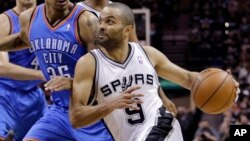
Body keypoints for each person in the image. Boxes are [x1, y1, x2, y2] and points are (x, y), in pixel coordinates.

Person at [70, 2, 240, 141]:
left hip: (163, 127)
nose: (101, 26)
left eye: (110, 22)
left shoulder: (148, 54)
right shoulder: (88, 63)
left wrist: (224, 82)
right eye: (101, 21)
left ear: (127, 30)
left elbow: (188, 78)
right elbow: (76, 117)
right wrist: (110, 105)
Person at [0, 0, 113, 140]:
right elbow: (21, 40)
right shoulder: (29, 18)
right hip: (59, 111)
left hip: (92, 113)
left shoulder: (87, 21)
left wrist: (74, 82)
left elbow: (107, 72)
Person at [77, 0, 177, 116]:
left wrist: (161, 96)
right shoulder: (75, 12)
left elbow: (140, 59)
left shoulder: (121, 12)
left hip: (118, 87)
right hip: (86, 92)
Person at [0, 0, 47, 141]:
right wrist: (43, 74)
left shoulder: (50, 20)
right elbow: (1, 67)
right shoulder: (4, 20)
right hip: (5, 94)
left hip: (35, 97)